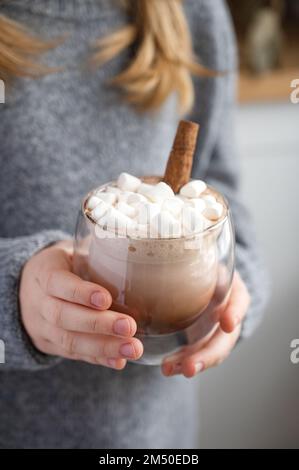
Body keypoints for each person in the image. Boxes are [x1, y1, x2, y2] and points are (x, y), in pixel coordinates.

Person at [0, 0, 268, 449]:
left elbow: (219, 189)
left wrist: (235, 280)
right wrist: (12, 294)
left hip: (155, 435)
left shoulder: (193, 11)